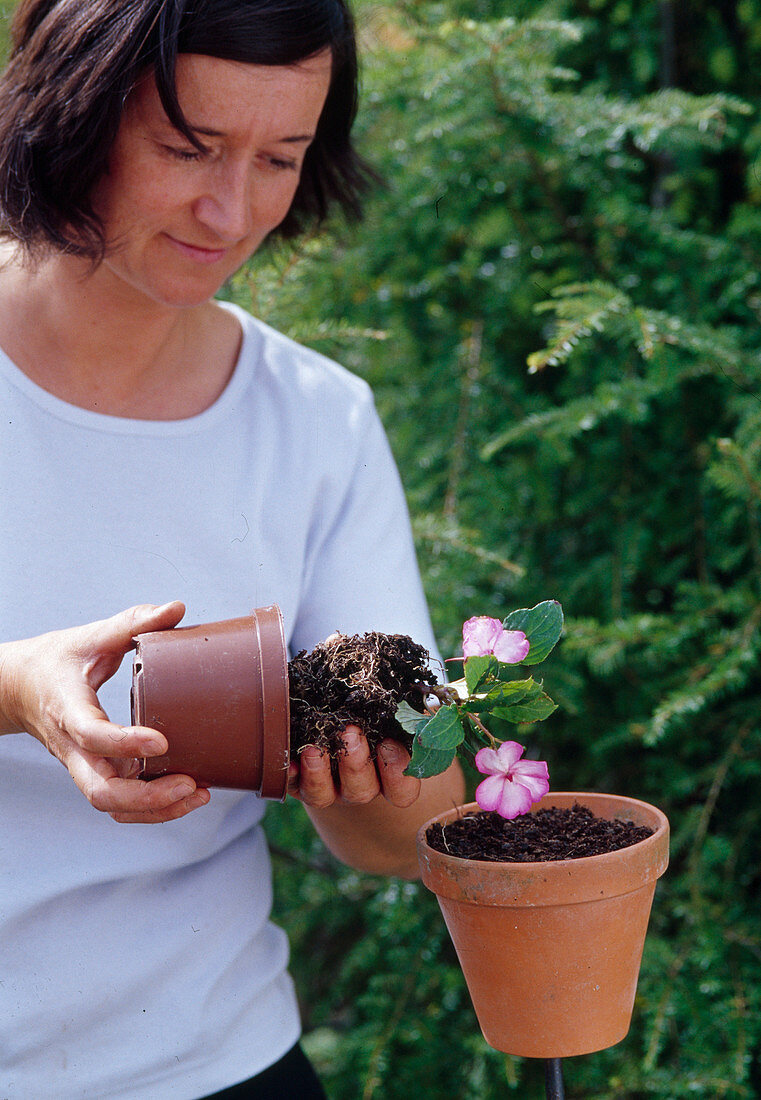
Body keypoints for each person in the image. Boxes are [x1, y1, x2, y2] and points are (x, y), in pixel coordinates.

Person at [0, 1, 465, 1097]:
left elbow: (403, 840)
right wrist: (20, 688)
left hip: (217, 1063)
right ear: (76, 111)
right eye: (187, 147)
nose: (231, 208)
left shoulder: (317, 419)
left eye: (280, 159)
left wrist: (372, 775)